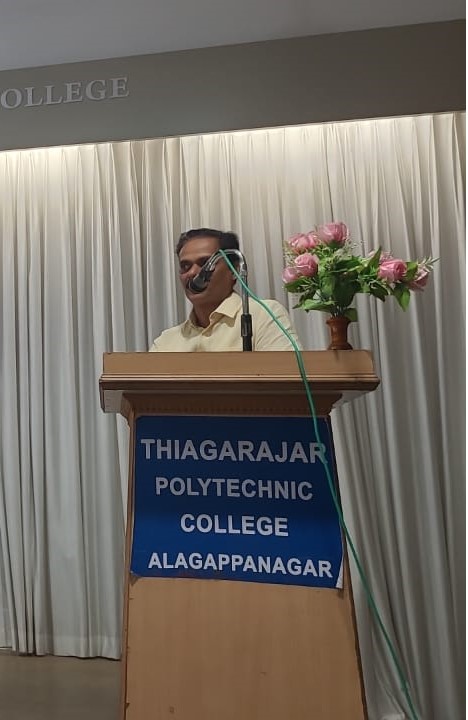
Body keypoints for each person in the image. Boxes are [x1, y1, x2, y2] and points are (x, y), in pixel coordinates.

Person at [149, 228, 302, 352]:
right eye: (185, 266)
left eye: (205, 263)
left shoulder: (265, 316)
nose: (193, 273)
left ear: (234, 271)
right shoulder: (166, 341)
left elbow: (287, 375)